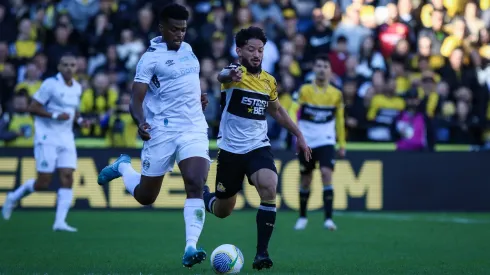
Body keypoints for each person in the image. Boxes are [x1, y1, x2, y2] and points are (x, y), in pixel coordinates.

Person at [96, 3, 210, 269]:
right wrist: (141, 122)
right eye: (174, 29)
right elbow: (135, 100)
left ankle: (190, 246)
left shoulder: (189, 49)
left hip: (193, 127)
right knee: (146, 197)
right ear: (161, 28)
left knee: (195, 181)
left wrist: (198, 98)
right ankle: (123, 166)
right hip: (161, 130)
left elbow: (188, 82)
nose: (180, 34)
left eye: (183, 29)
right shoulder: (150, 58)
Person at [202, 26, 312, 271]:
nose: (256, 54)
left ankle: (261, 253)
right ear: (239, 50)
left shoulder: (268, 81)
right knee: (223, 210)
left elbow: (277, 111)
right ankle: (205, 196)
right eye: (251, 49)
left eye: (260, 50)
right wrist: (230, 75)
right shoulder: (234, 73)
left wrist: (299, 134)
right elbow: (221, 76)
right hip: (230, 150)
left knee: (269, 185)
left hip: (257, 147)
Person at [2, 53, 89, 232]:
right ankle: (13, 197)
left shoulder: (77, 88)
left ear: (76, 68)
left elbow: (74, 111)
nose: (69, 68)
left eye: (72, 65)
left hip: (66, 137)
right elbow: (32, 107)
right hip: (46, 137)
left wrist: (80, 121)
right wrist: (55, 115)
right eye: (65, 65)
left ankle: (60, 222)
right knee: (44, 182)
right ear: (59, 67)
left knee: (67, 177)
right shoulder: (50, 84)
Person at [291, 54, 346, 231]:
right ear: (314, 69)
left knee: (326, 173)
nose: (322, 69)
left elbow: (340, 120)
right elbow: (292, 110)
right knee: (306, 179)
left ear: (330, 71)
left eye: (325, 66)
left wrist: (342, 143)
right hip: (307, 140)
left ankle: (328, 219)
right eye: (319, 66)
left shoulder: (336, 94)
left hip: (326, 140)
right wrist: (296, 133)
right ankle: (302, 217)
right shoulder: (304, 90)